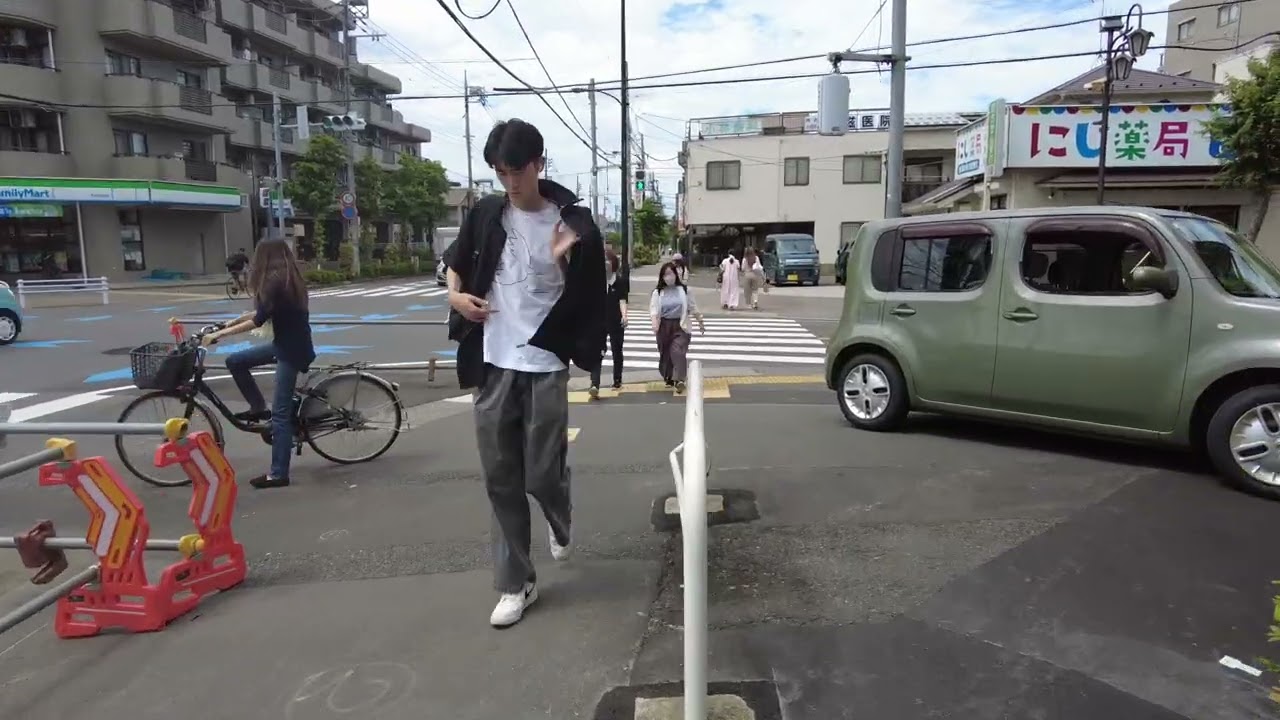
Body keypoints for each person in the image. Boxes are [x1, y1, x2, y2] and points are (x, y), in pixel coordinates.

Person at [442, 118, 607, 628]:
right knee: (501, 477)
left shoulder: (574, 224)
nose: (510, 182)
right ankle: (517, 583)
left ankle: (560, 512)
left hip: (546, 362)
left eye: (518, 170)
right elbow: (456, 264)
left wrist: (564, 264)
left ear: (539, 164)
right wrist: (454, 295)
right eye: (500, 172)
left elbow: (592, 298)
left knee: (540, 473)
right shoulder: (487, 213)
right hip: (494, 359)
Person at [202, 240, 315, 490]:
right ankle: (256, 407)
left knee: (281, 415)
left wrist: (221, 335)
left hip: (291, 351)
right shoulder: (286, 278)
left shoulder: (277, 282)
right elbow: (261, 313)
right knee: (236, 361)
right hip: (287, 345)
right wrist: (230, 323)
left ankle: (278, 474)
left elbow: (258, 320)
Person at [650, 260, 705, 393]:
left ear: (676, 274)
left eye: (671, 273)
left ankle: (680, 379)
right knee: (665, 354)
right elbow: (653, 309)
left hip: (681, 325)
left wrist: (700, 321)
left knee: (677, 351)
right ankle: (668, 376)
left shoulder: (685, 291)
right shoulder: (658, 292)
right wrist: (655, 323)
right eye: (666, 274)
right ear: (662, 277)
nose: (669, 277)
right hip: (664, 326)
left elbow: (693, 307)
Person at [589, 249, 628, 397]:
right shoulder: (595, 281)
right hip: (599, 321)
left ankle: (617, 379)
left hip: (615, 320)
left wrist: (624, 316)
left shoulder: (620, 281)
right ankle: (594, 384)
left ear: (613, 263)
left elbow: (622, 300)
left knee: (617, 350)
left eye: (607, 260)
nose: (604, 263)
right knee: (596, 351)